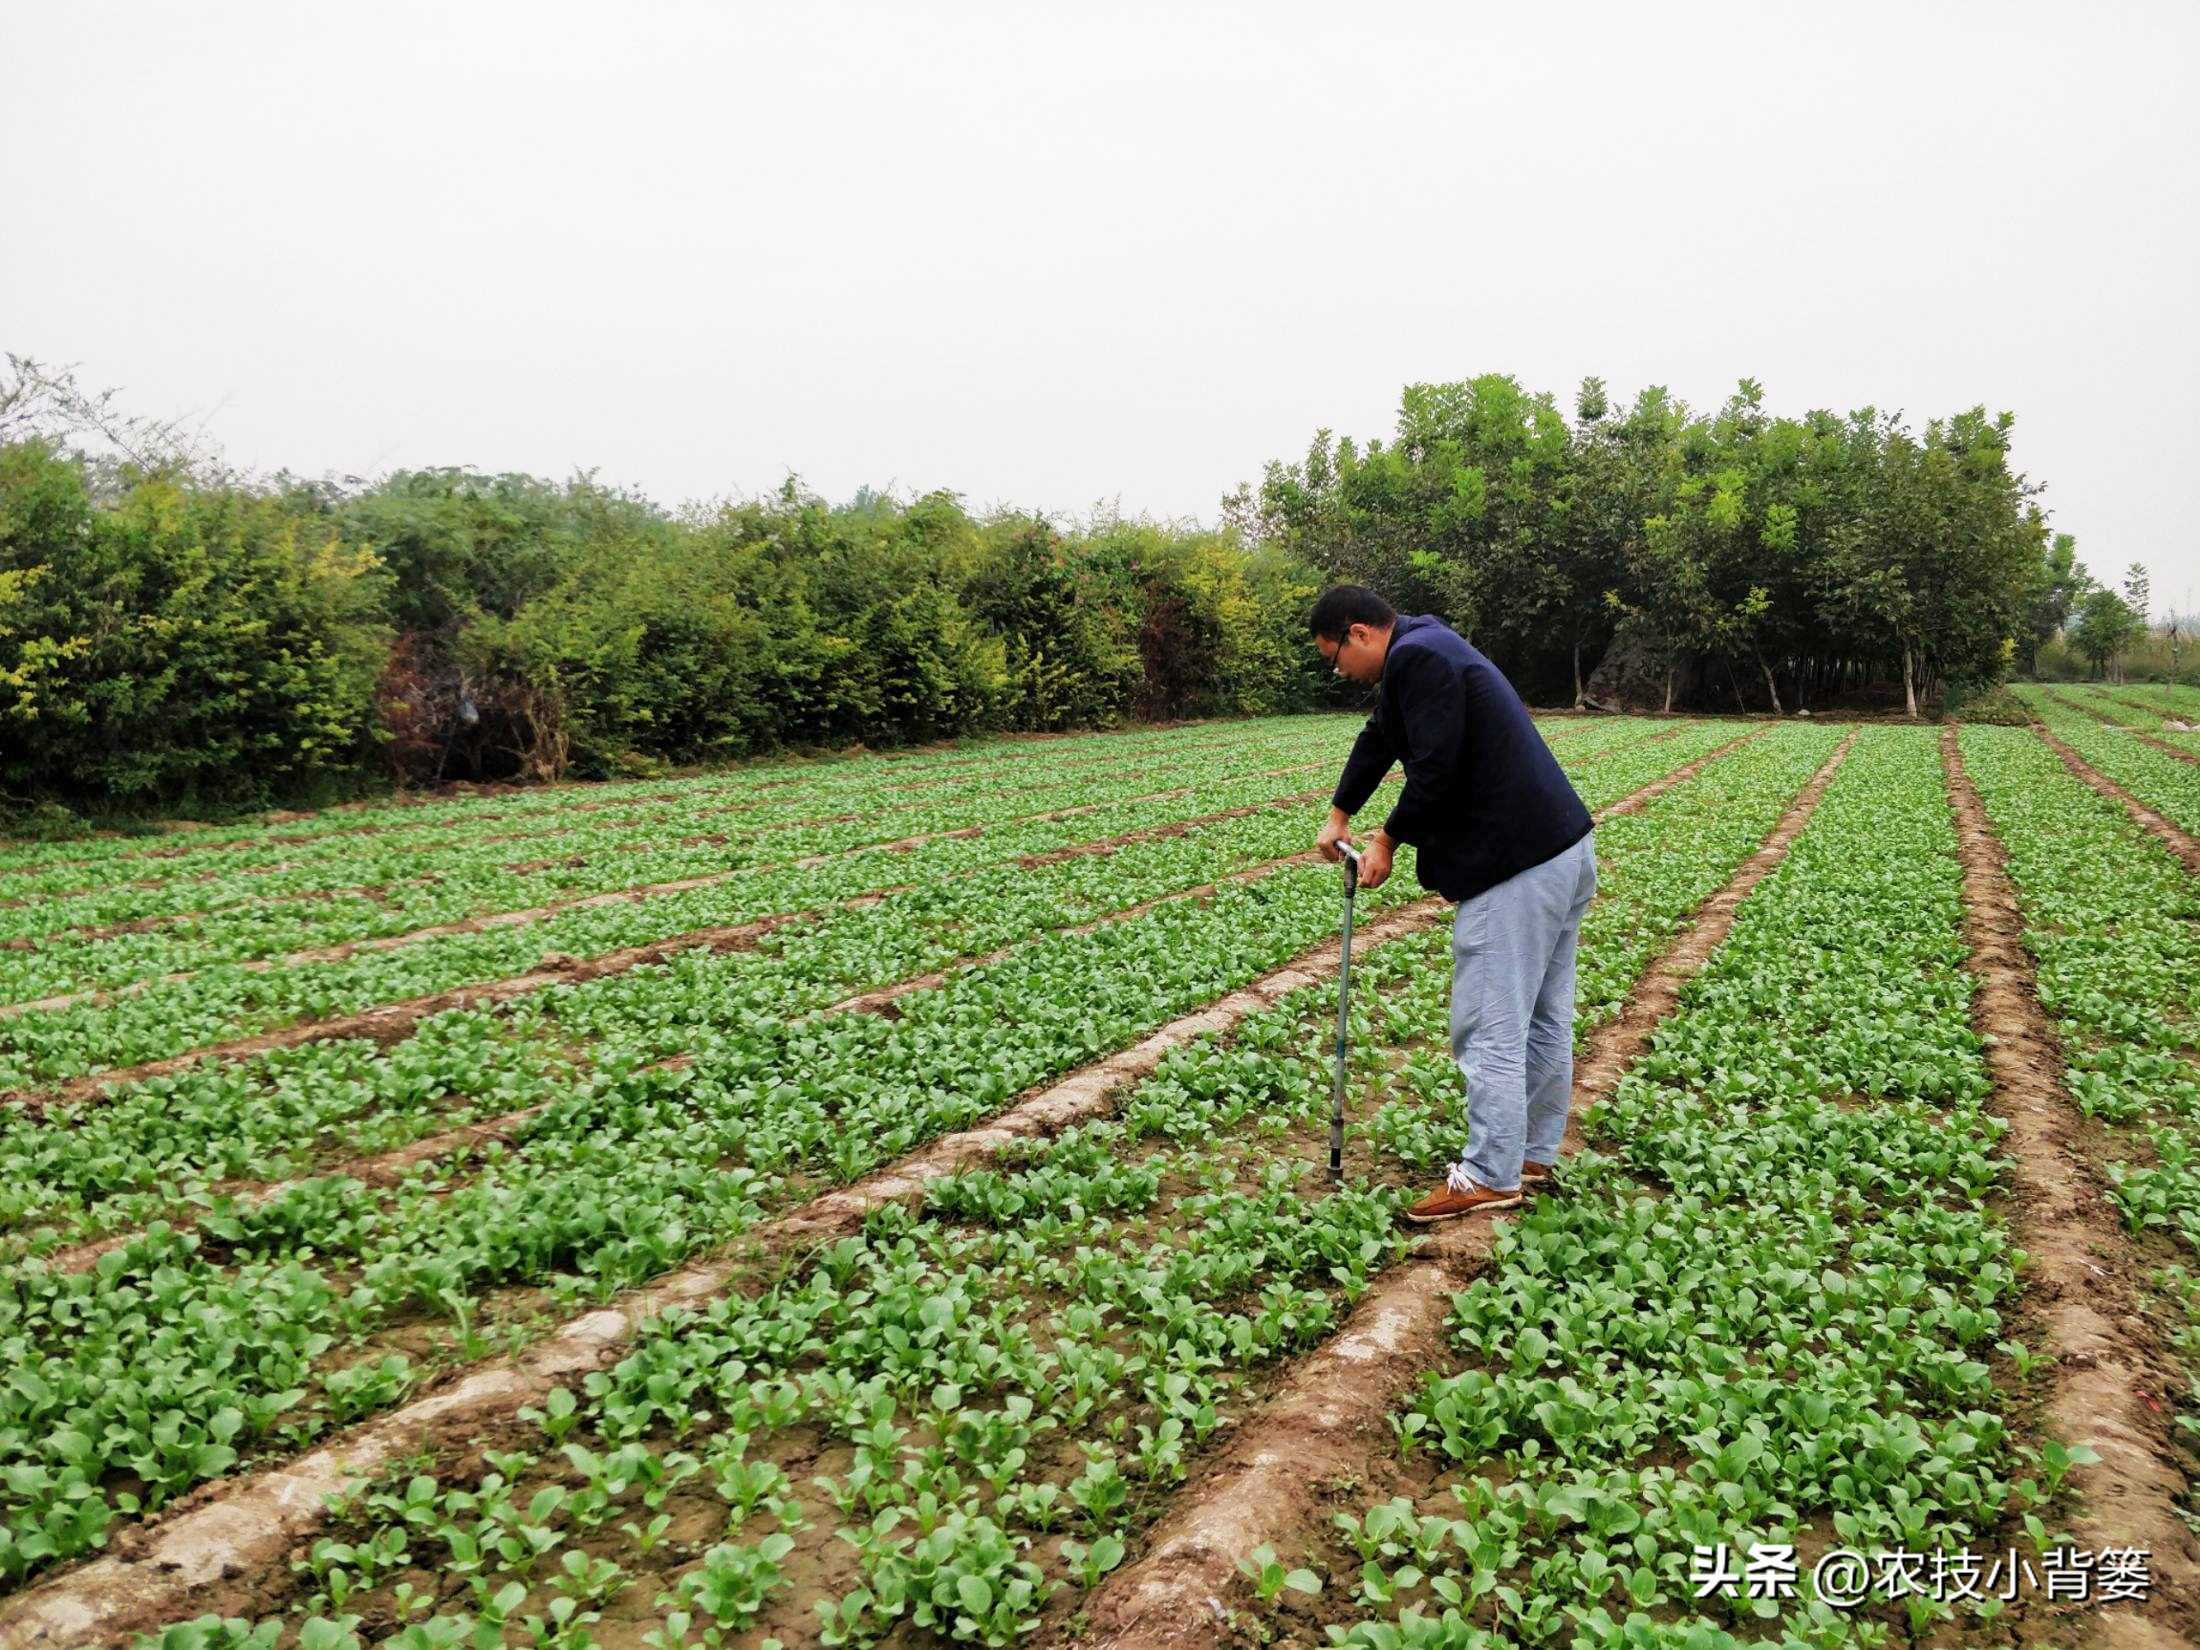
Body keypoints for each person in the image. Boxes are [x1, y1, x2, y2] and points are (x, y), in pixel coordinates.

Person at [1310, 585, 1596, 1223]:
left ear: (1359, 634)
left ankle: (1490, 1172)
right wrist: (1340, 813)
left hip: (1514, 864)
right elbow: (1379, 737)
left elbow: (1435, 768)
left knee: (1490, 1024)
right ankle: (1531, 1155)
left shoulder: (1419, 658)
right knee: (1546, 1016)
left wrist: (1387, 839)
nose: (1340, 672)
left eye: (1334, 658)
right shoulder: (1427, 643)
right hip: (1563, 850)